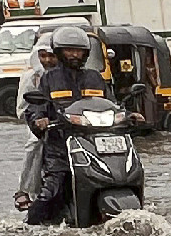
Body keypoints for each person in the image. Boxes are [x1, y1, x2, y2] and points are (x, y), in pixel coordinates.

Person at [20, 24, 111, 225]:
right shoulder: (49, 78)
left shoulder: (95, 77)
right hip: (60, 148)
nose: (74, 55)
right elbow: (35, 107)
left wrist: (130, 115)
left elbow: (112, 104)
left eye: (78, 51)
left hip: (95, 144)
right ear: (60, 52)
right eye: (69, 50)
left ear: (86, 53)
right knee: (51, 192)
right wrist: (38, 120)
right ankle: (29, 228)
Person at [13, 33, 57, 212]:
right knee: (35, 143)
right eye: (43, 55)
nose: (47, 60)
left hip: (72, 120)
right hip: (40, 122)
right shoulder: (31, 78)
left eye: (51, 55)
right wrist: (38, 120)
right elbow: (23, 108)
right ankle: (25, 189)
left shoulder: (71, 75)